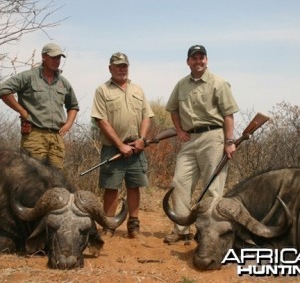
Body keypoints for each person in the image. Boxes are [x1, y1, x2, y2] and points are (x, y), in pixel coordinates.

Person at [164, 45, 239, 244]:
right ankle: (181, 230)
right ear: (188, 61)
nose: (198, 61)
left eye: (201, 57)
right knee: (179, 182)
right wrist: (179, 130)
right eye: (194, 58)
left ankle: (211, 232)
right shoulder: (181, 84)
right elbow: (173, 109)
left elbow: (228, 114)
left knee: (213, 188)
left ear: (206, 60)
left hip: (213, 137)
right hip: (189, 140)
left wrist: (229, 141)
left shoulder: (218, 83)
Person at [91, 52, 154, 239]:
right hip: (113, 148)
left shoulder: (138, 89)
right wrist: (120, 145)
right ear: (110, 68)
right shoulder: (102, 90)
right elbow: (101, 120)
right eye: (118, 66)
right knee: (111, 187)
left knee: (134, 186)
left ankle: (133, 227)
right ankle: (109, 226)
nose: (121, 69)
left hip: (136, 148)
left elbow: (146, 116)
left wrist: (142, 139)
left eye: (124, 65)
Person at [0, 43, 79, 169]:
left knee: (56, 179)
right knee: (33, 177)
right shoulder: (28, 76)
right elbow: (3, 90)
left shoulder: (63, 82)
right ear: (43, 57)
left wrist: (68, 124)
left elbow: (73, 106)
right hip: (34, 134)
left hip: (56, 138)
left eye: (58, 58)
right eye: (53, 57)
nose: (56, 61)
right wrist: (22, 111)